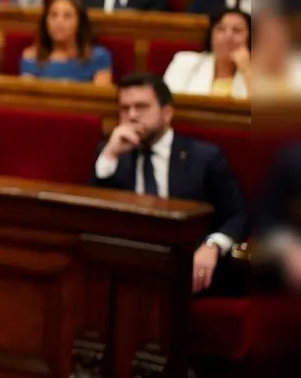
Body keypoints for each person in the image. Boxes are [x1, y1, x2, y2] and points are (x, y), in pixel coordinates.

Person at [90, 74, 246, 295]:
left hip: (187, 266)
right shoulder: (113, 154)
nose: (132, 116)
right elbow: (91, 216)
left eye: (141, 107)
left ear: (167, 112)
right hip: (129, 268)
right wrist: (108, 157)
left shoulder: (204, 157)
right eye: (125, 109)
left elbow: (237, 215)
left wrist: (212, 247)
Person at [19, 0, 113, 85]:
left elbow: (100, 97)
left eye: (67, 16)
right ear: (46, 21)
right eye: (53, 15)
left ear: (79, 23)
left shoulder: (98, 57)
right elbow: (28, 98)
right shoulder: (31, 58)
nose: (59, 22)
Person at [163, 9, 252, 98]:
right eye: (220, 29)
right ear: (211, 35)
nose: (228, 36)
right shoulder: (184, 62)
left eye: (237, 31)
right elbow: (165, 102)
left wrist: (247, 71)